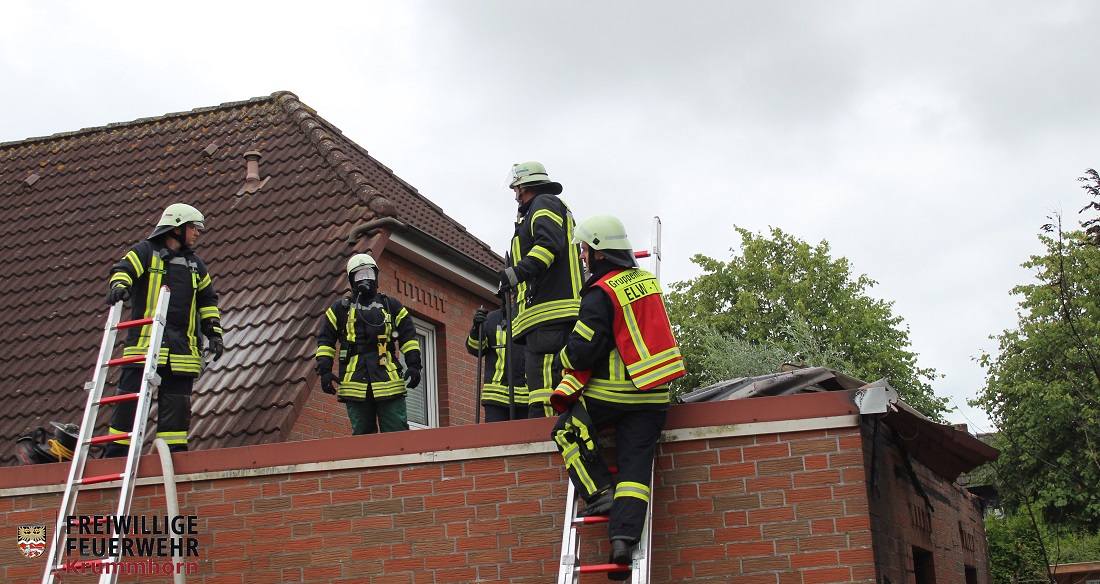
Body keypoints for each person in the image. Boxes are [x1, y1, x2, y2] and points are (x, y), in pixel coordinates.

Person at [548, 214, 686, 580]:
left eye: (584, 249)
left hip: (614, 392)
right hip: (654, 394)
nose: (581, 256)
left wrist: (561, 358)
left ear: (598, 251)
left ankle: (598, 493)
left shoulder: (600, 292)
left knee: (566, 431)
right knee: (635, 468)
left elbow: (583, 351)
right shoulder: (647, 282)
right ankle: (623, 541)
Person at [104, 203, 224, 456]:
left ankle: (173, 456)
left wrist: (214, 333)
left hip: (182, 350)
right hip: (145, 346)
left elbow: (208, 301)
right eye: (193, 227)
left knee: (177, 408)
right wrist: (119, 286)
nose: (197, 233)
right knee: (129, 402)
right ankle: (117, 453)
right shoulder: (145, 252)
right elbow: (123, 270)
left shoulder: (196, 265)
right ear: (177, 227)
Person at [498, 161, 584, 418]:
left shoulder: (543, 203)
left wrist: (515, 273)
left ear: (524, 187)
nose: (515, 195)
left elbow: (549, 245)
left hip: (549, 314)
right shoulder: (545, 207)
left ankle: (548, 437)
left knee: (545, 393)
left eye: (516, 189)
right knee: (545, 388)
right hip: (547, 316)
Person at [315, 253, 422, 435]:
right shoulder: (339, 309)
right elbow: (325, 341)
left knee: (397, 431)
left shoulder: (391, 305)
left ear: (376, 276)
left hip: (388, 379)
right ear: (352, 280)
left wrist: (414, 365)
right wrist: (324, 371)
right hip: (355, 382)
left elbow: (409, 337)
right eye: (360, 275)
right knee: (363, 436)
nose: (365, 279)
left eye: (369, 274)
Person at [466, 302, 528, 422]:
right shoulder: (492, 319)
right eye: (508, 293)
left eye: (514, 292)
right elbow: (476, 349)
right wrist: (476, 328)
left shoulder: (529, 316)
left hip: (526, 397)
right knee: (496, 433)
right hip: (495, 397)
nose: (512, 296)